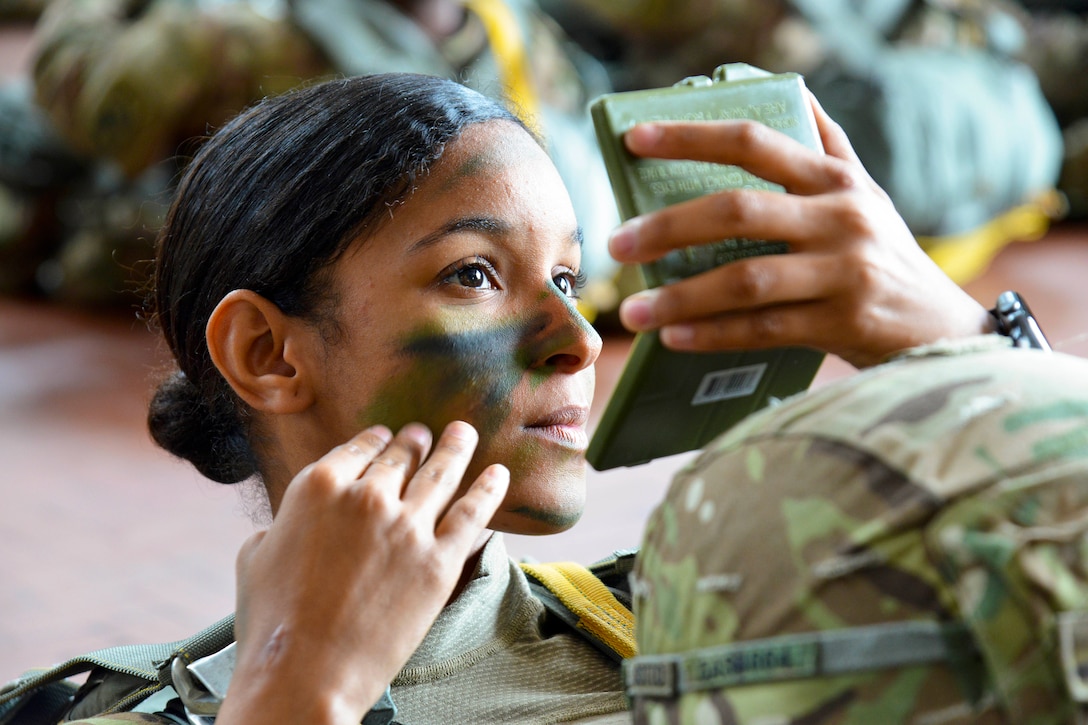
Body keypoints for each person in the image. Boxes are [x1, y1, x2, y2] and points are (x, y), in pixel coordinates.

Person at [3, 71, 1013, 724]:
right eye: (474, 274)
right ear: (266, 351)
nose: (576, 342)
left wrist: (959, 343)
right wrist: (297, 685)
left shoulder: (688, 624)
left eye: (568, 281)